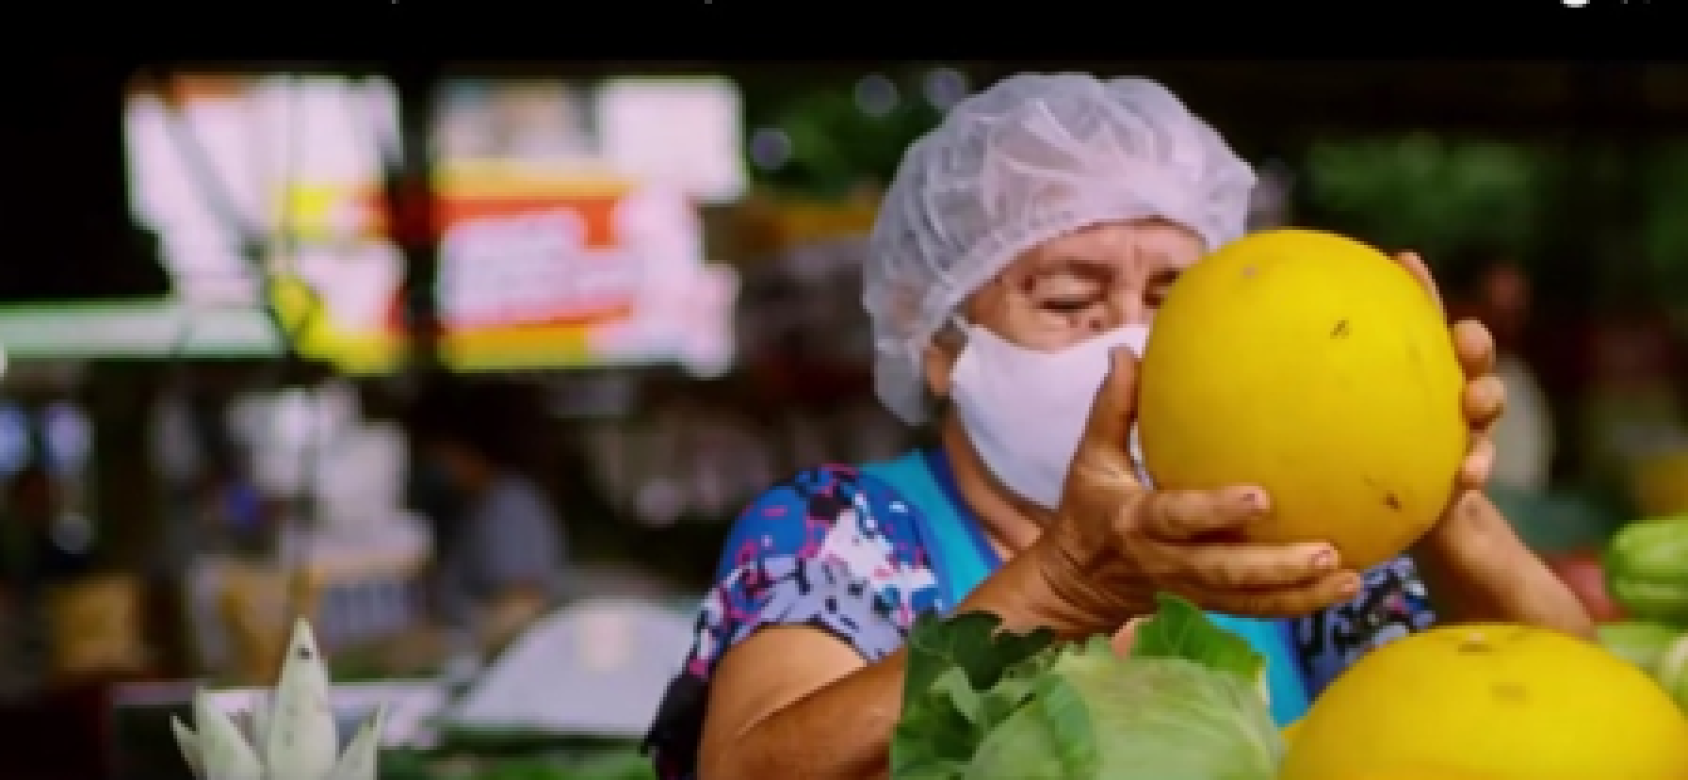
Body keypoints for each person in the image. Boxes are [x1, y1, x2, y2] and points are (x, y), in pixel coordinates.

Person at [644, 74, 1591, 780]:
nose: (1128, 344)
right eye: (1069, 299)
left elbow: (1571, 718)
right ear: (938, 340)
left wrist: (1438, 498)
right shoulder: (841, 531)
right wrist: (1065, 587)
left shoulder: (1282, 547)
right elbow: (749, 769)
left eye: (1173, 298)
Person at [408, 383, 567, 657]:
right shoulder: (476, 505)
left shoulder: (510, 508)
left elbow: (522, 607)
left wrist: (449, 646)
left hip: (501, 665)